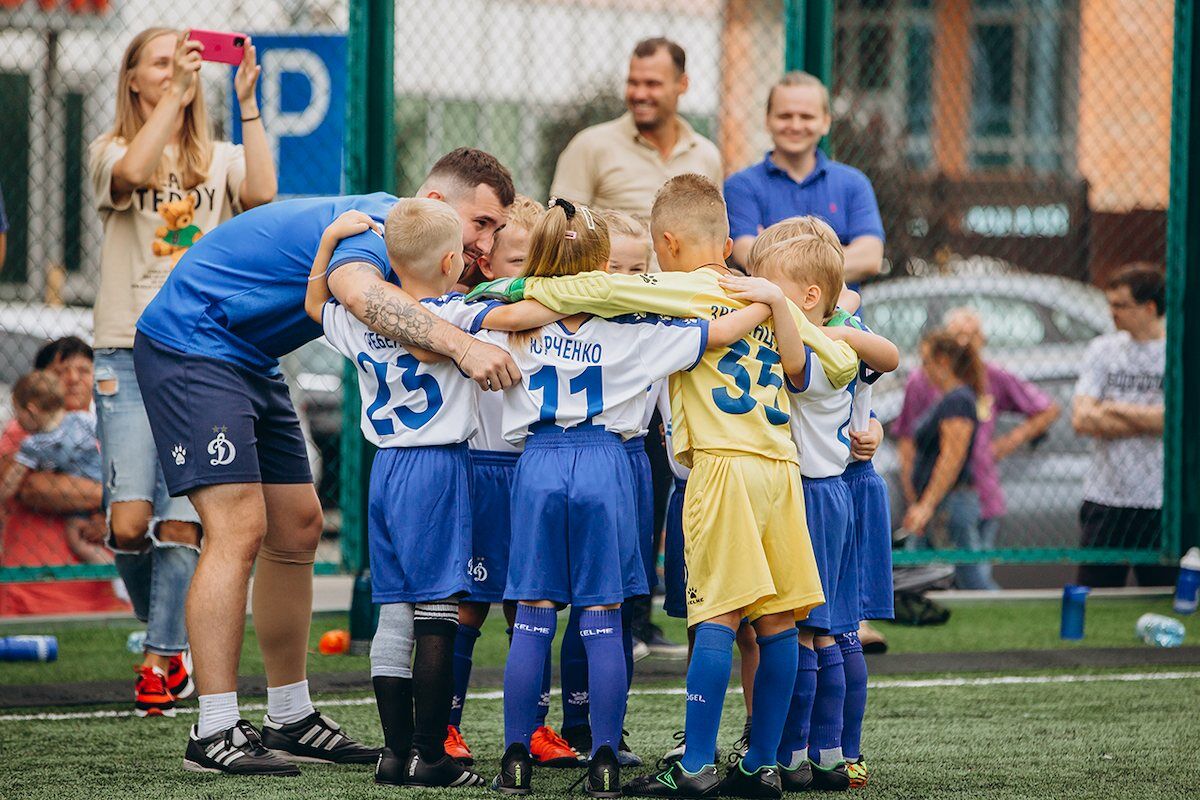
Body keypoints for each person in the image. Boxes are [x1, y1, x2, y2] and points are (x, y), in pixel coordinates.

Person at [469, 174, 861, 797]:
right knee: (781, 620)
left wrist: (508, 287)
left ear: (668, 242)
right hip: (781, 470)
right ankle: (763, 764)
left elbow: (594, 287)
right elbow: (841, 363)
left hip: (721, 469)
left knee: (716, 618)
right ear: (728, 238)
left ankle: (697, 763)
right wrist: (783, 307)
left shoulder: (678, 289)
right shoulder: (763, 293)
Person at [133, 148, 519, 776]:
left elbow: (327, 308)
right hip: (193, 341)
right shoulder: (375, 225)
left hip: (248, 358)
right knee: (239, 527)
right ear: (439, 206)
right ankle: (213, 729)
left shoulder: (413, 248)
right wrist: (464, 347)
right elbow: (362, 298)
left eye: (496, 231)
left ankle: (289, 715)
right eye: (482, 224)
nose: (486, 242)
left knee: (299, 525)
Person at [305, 201, 560, 787]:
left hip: (386, 469)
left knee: (394, 613)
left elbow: (315, 304)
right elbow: (526, 310)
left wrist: (328, 243)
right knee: (438, 612)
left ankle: (395, 756)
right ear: (453, 261)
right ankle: (431, 754)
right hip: (439, 468)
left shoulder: (369, 316)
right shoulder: (458, 310)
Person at [88, 27, 276, 717]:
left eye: (182, 62)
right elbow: (134, 175)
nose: (175, 73)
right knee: (132, 521)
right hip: (124, 349)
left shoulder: (216, 156)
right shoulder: (108, 152)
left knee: (182, 523)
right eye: (161, 64)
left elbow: (262, 191)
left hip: (202, 353)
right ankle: (164, 635)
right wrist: (180, 96)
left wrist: (246, 101)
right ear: (133, 79)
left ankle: (164, 658)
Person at [721, 217, 898, 792]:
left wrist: (808, 313)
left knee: (807, 633)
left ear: (806, 297)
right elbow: (881, 352)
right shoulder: (829, 333)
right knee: (829, 632)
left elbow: (815, 361)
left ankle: (800, 753)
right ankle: (831, 754)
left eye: (769, 289)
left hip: (812, 496)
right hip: (825, 492)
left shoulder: (817, 349)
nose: (761, 300)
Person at [448, 195, 583, 769]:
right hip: (485, 472)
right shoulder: (480, 312)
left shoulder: (561, 313)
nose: (530, 277)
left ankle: (533, 728)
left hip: (537, 471)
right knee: (470, 606)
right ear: (485, 264)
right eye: (518, 263)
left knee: (535, 607)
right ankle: (446, 725)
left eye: (541, 264)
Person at [893, 308, 1060, 590]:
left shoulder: (981, 384)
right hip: (934, 494)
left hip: (971, 491)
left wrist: (1006, 444)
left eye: (970, 335)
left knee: (970, 576)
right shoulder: (922, 381)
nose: (964, 342)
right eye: (957, 335)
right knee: (931, 572)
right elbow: (907, 439)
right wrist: (916, 497)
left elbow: (1046, 409)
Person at [724, 72, 884, 289]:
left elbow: (871, 258)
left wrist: (774, 255)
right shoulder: (741, 186)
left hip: (840, 322)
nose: (796, 125)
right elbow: (747, 255)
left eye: (807, 117)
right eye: (785, 116)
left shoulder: (854, 184)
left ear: (825, 122)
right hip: (769, 321)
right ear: (767, 120)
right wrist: (834, 256)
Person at [0, 338, 122, 617]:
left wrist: (113, 519)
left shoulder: (106, 429)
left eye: (83, 370)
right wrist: (116, 500)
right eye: (61, 371)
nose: (72, 379)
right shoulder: (26, 429)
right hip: (32, 586)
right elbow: (37, 489)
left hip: (101, 588)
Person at [1072, 264, 1171, 587]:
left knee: (1163, 592)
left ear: (1149, 308)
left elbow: (1174, 421)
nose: (1112, 313)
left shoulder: (1177, 352)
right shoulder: (1103, 349)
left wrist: (1112, 407)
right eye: (1109, 304)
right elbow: (1083, 418)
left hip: (1158, 498)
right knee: (1094, 594)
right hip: (1106, 497)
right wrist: (1149, 419)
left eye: (1120, 305)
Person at [550, 37, 722, 222]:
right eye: (633, 83)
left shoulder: (706, 155)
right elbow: (562, 230)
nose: (639, 94)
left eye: (652, 84)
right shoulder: (589, 146)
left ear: (682, 84)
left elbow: (712, 233)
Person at [901, 331, 988, 589]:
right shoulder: (949, 399)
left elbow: (952, 457)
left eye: (926, 361)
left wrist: (926, 505)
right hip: (941, 502)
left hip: (951, 503)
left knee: (971, 579)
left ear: (943, 361)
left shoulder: (959, 400)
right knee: (918, 566)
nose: (923, 369)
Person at [0, 372, 107, 565]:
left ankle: (110, 570)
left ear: (31, 411)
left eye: (18, 414)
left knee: (76, 535)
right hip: (102, 476)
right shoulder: (81, 420)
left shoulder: (34, 444)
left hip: (77, 489)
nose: (18, 421)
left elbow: (12, 481)